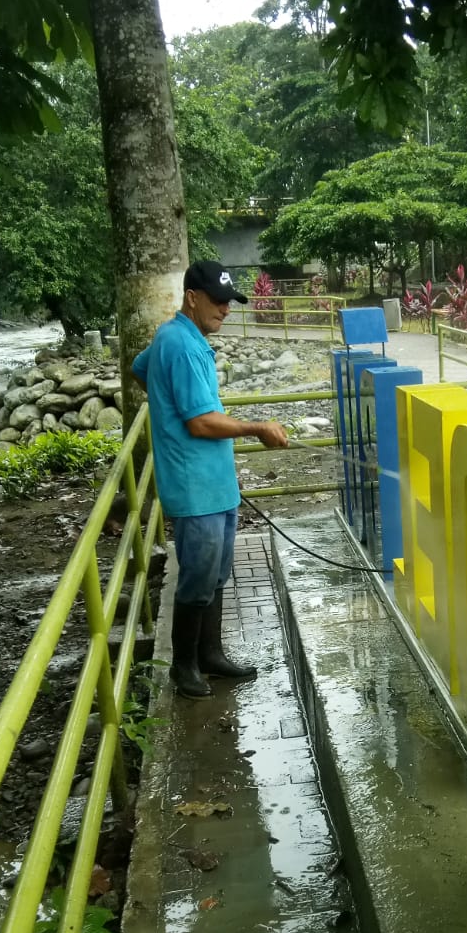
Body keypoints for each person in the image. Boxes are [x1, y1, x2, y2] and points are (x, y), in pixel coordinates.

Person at [133, 259, 289, 698]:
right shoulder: (180, 345)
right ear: (192, 298)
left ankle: (211, 654)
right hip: (194, 484)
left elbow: (141, 369)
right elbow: (200, 422)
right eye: (218, 301)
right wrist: (257, 428)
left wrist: (165, 404)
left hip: (215, 481)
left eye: (229, 301)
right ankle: (183, 667)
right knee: (198, 576)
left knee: (216, 574)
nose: (226, 309)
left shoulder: (178, 337)